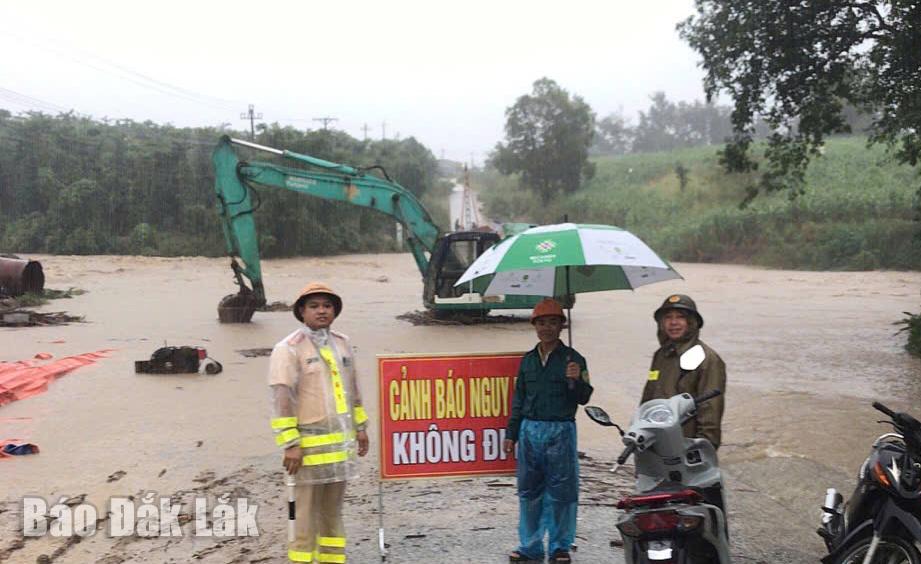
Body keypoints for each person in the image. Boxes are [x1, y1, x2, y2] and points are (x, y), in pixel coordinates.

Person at [268, 282, 369, 563]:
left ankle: (332, 560)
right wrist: (290, 444)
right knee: (302, 514)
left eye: (327, 306)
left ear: (334, 310)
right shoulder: (288, 349)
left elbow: (354, 390)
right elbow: (281, 397)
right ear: (302, 311)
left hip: (340, 450)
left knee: (332, 513)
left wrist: (361, 429)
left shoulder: (342, 343)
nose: (322, 311)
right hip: (305, 452)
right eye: (314, 306)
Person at [503, 298, 593, 564]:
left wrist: (575, 380)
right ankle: (530, 546)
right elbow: (519, 400)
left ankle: (559, 547)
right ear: (535, 326)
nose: (547, 328)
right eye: (541, 323)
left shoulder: (574, 360)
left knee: (562, 492)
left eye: (552, 322)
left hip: (561, 431)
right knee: (529, 491)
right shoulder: (528, 361)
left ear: (561, 326)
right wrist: (511, 433)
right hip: (530, 431)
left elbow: (584, 398)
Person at [641, 294, 726, 449]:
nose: (673, 323)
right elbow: (648, 398)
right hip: (655, 443)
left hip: (686, 447)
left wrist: (704, 449)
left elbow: (710, 410)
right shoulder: (661, 355)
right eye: (668, 317)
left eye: (680, 317)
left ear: (691, 323)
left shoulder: (708, 359)